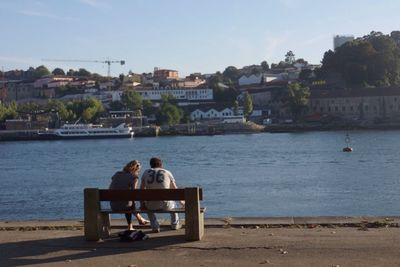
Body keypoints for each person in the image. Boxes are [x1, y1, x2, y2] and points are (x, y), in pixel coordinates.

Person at [140, 157, 183, 233]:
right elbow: (175, 190)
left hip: (151, 205)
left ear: (150, 165)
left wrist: (142, 204)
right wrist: (181, 202)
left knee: (147, 207)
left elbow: (141, 191)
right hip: (166, 205)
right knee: (174, 204)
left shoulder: (145, 172)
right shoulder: (167, 172)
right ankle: (174, 224)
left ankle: (155, 226)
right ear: (161, 164)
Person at [109, 160, 150, 230]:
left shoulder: (116, 174)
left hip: (113, 205)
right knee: (129, 202)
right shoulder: (134, 177)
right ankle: (130, 226)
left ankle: (140, 220)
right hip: (125, 206)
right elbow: (133, 193)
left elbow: (110, 188)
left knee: (127, 200)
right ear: (136, 169)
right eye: (138, 170)